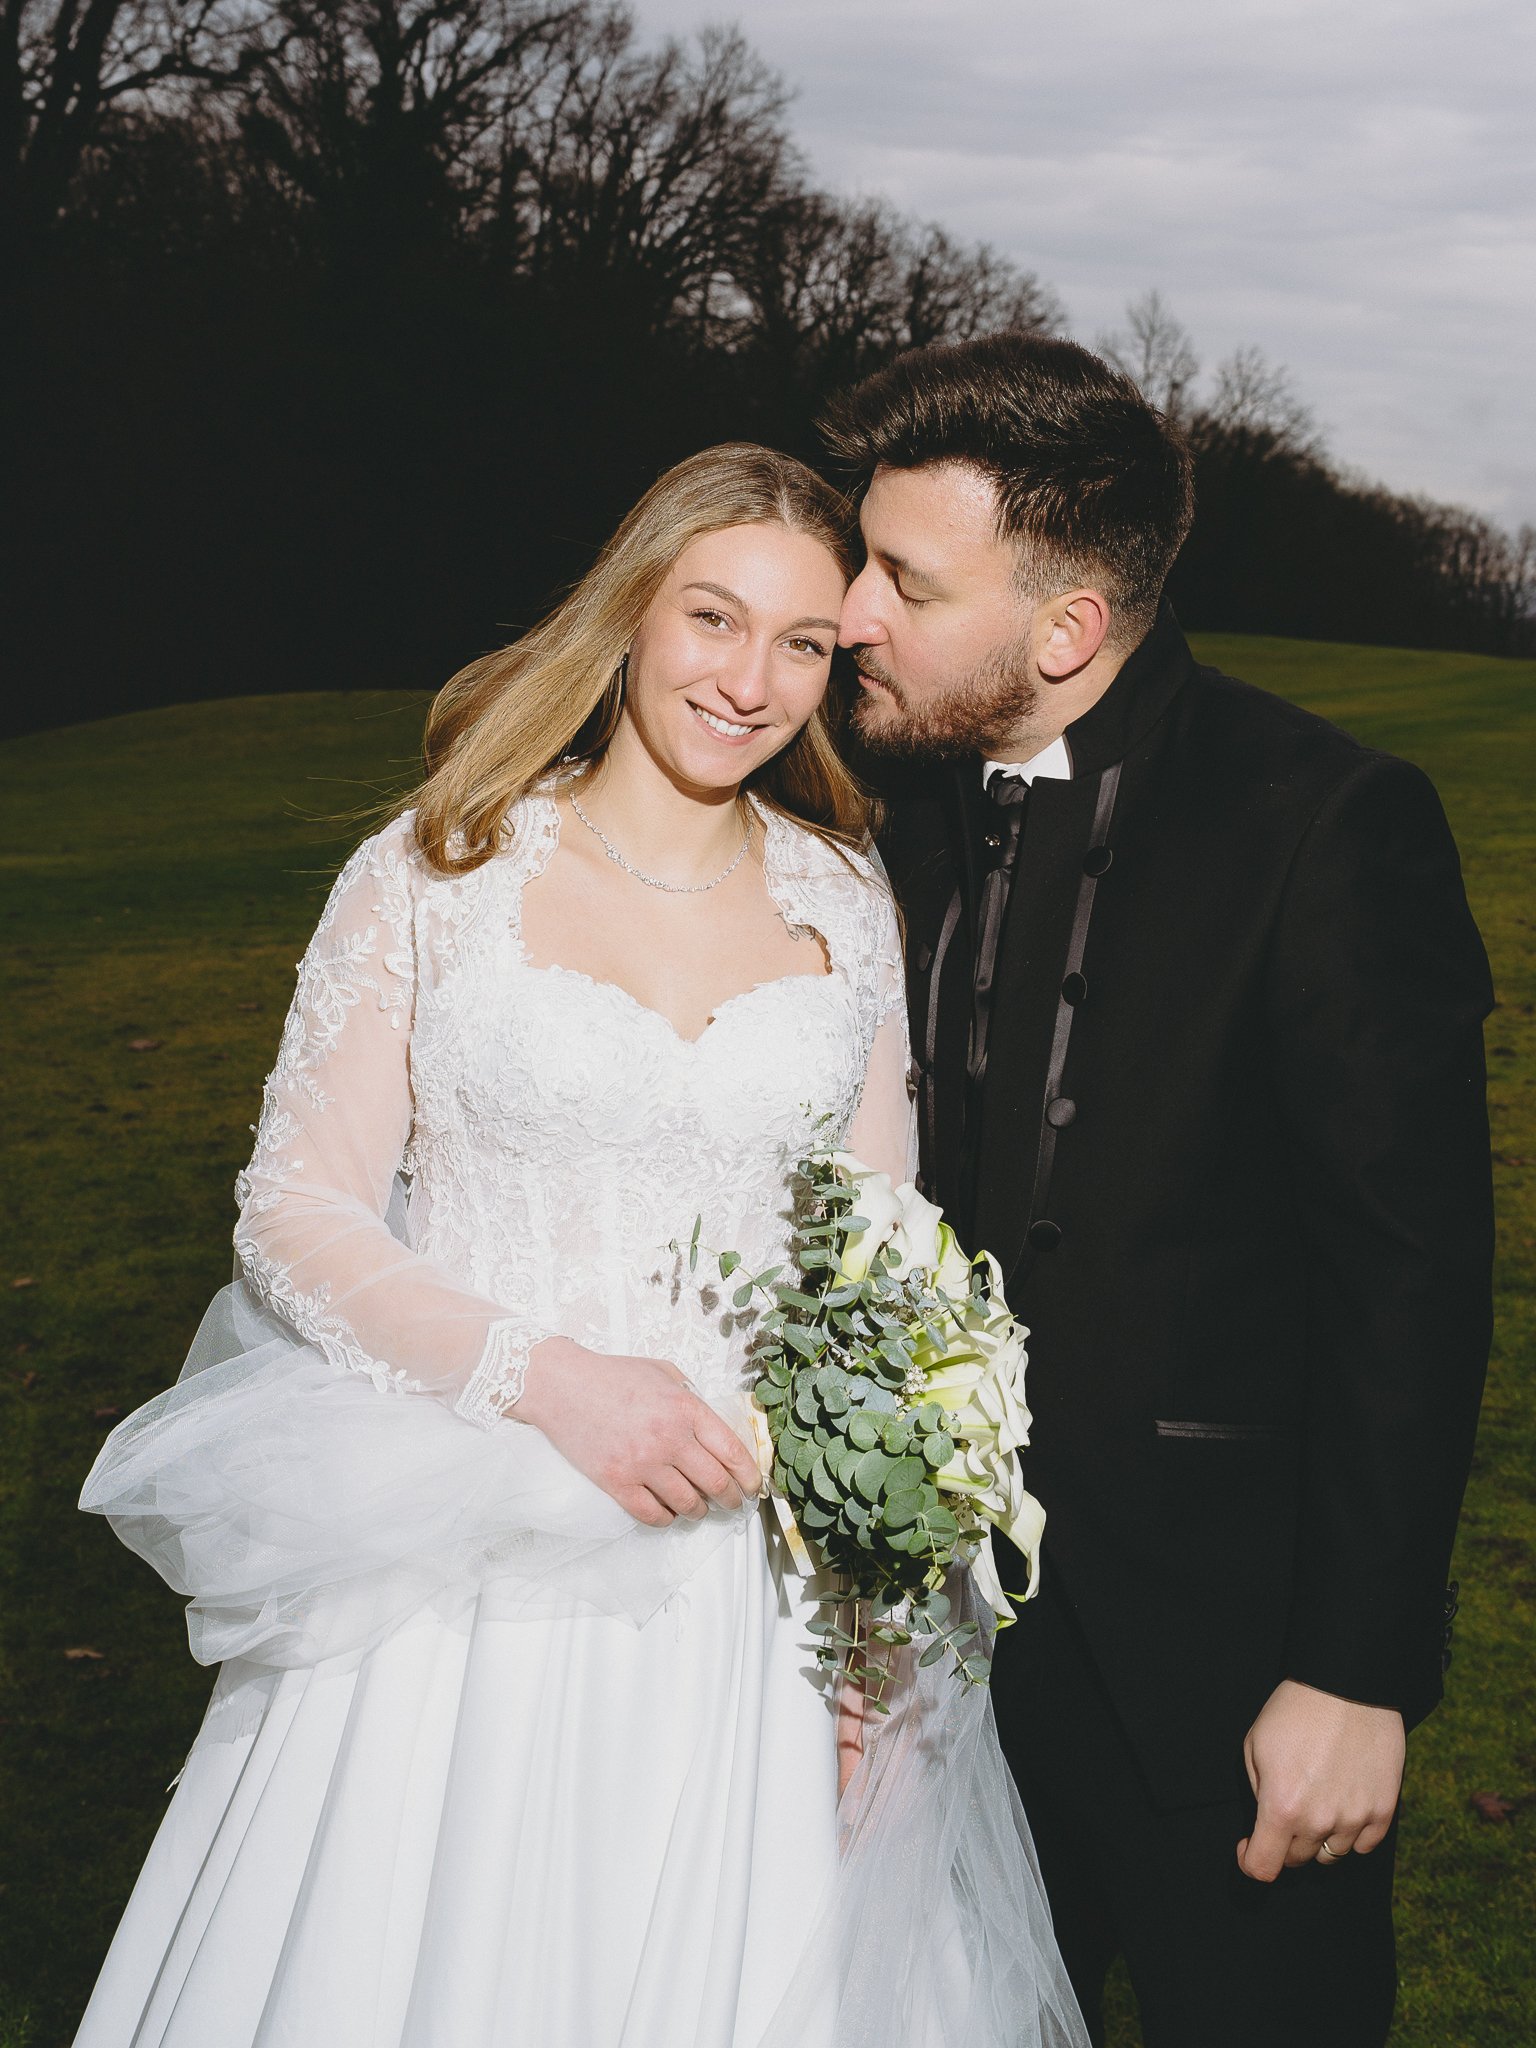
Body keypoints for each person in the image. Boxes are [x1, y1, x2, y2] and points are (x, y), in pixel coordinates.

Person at [75, 444, 1087, 2048]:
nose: (751, 682)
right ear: (631, 612)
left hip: (749, 1607)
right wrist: (546, 1379)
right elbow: (294, 1206)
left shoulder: (845, 896)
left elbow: (880, 1276)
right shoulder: (441, 868)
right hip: (461, 1579)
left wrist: (877, 1638)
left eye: (804, 645)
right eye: (712, 618)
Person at [827, 335, 1494, 2048]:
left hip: (1224, 1684)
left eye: (903, 577)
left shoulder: (1330, 822)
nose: (850, 612)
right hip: (925, 1686)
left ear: (1063, 630)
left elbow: (1407, 1282)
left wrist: (1356, 1672)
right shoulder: (871, 816)